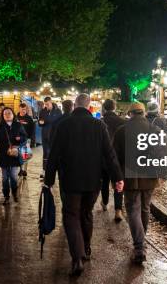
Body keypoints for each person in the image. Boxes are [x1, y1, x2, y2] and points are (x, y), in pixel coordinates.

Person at [45, 93, 124, 277]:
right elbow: (109, 154)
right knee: (86, 214)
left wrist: (48, 180)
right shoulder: (99, 125)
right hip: (92, 181)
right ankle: (86, 248)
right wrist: (117, 178)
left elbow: (54, 153)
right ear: (89, 107)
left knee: (71, 215)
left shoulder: (64, 125)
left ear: (74, 105)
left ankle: (77, 257)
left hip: (70, 180)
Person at [113, 102, 167, 265]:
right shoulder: (154, 130)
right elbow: (161, 153)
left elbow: (113, 157)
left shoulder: (122, 131)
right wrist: (163, 174)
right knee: (145, 208)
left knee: (133, 210)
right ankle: (141, 243)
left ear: (130, 114)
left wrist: (116, 177)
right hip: (149, 176)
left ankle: (139, 247)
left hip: (129, 177)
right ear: (143, 113)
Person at [0, 107, 27, 204]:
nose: (7, 115)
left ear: (13, 114)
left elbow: (25, 137)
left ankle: (14, 193)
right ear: (3, 116)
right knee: (5, 178)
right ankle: (6, 196)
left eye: (9, 113)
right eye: (5, 114)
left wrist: (20, 138)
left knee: (14, 177)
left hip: (14, 155)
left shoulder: (18, 125)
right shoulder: (1, 126)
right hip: (3, 156)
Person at [100, 99, 126, 221]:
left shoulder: (100, 122)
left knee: (104, 181)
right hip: (118, 157)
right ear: (114, 107)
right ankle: (118, 210)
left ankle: (104, 202)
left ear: (104, 108)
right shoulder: (122, 122)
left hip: (104, 157)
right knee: (118, 182)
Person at [38, 96, 62, 179]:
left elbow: (58, 122)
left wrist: (46, 120)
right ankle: (44, 171)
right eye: (45, 104)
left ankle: (52, 172)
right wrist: (40, 122)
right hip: (44, 135)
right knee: (45, 153)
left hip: (54, 136)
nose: (46, 106)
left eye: (47, 104)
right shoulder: (43, 111)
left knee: (53, 154)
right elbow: (40, 122)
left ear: (51, 102)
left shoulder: (58, 111)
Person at [16, 103, 35, 177]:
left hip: (26, 139)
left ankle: (25, 170)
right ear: (19, 109)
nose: (23, 110)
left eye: (24, 109)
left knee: (25, 155)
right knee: (19, 155)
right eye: (22, 109)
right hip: (17, 139)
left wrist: (30, 138)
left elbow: (32, 129)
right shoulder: (16, 117)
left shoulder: (29, 118)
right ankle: (21, 170)